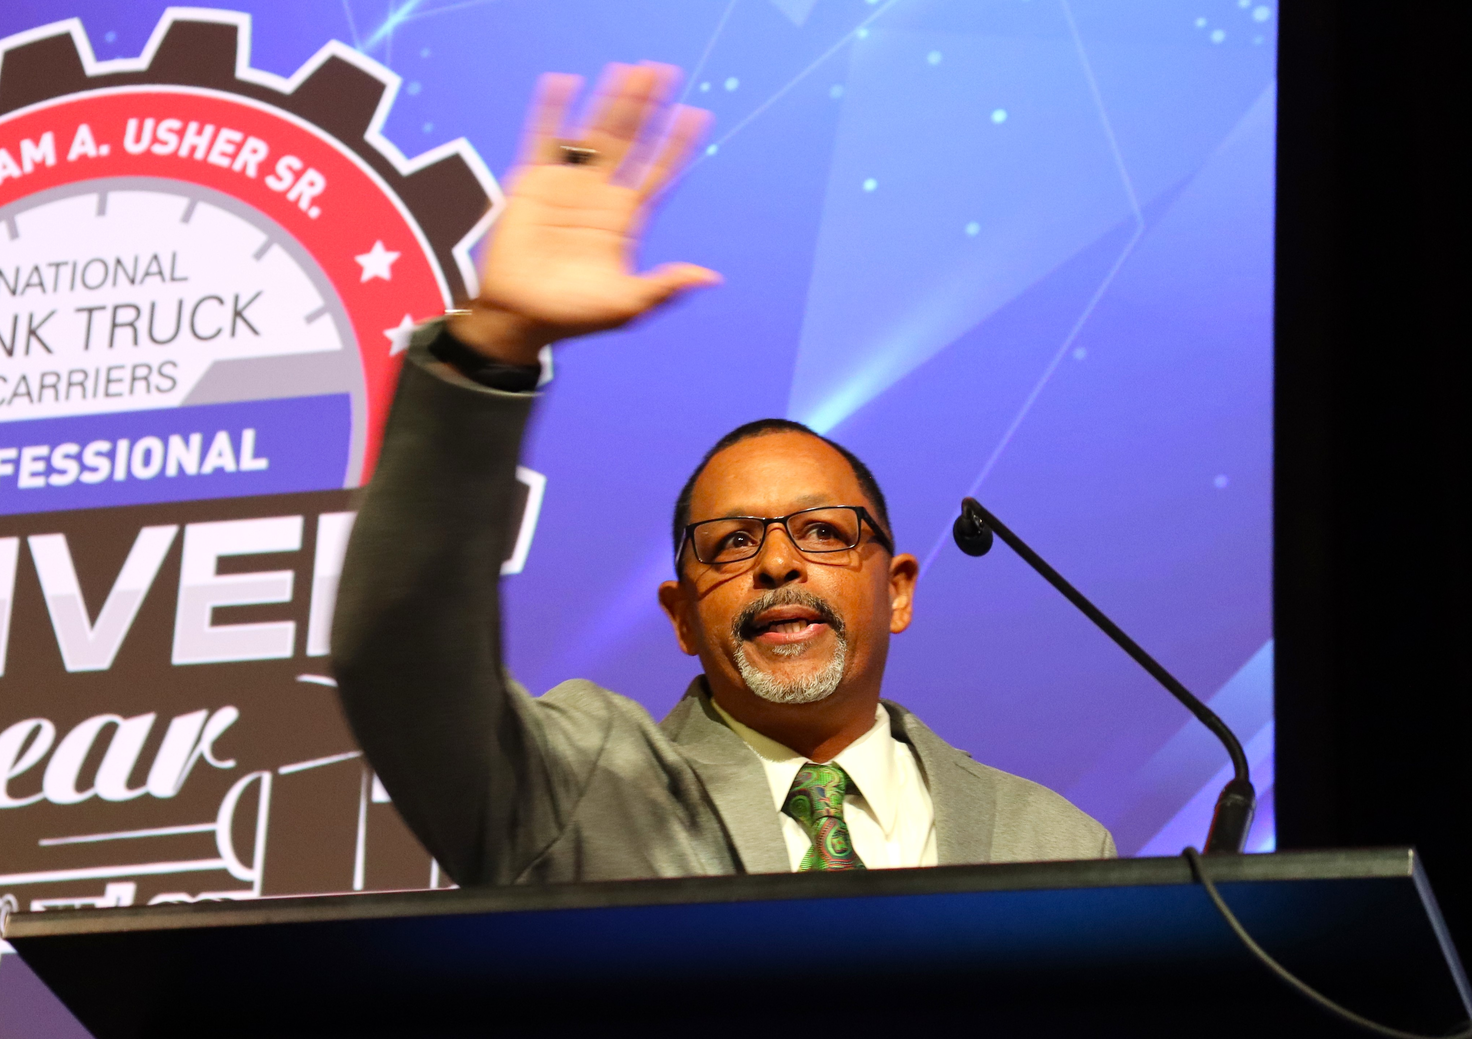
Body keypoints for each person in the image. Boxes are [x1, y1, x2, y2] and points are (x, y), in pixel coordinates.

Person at [331, 63, 1113, 887]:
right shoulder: (577, 793)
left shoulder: (1053, 842)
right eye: (732, 543)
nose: (777, 563)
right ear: (682, 617)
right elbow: (402, 659)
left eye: (822, 531)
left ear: (898, 590)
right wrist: (497, 340)